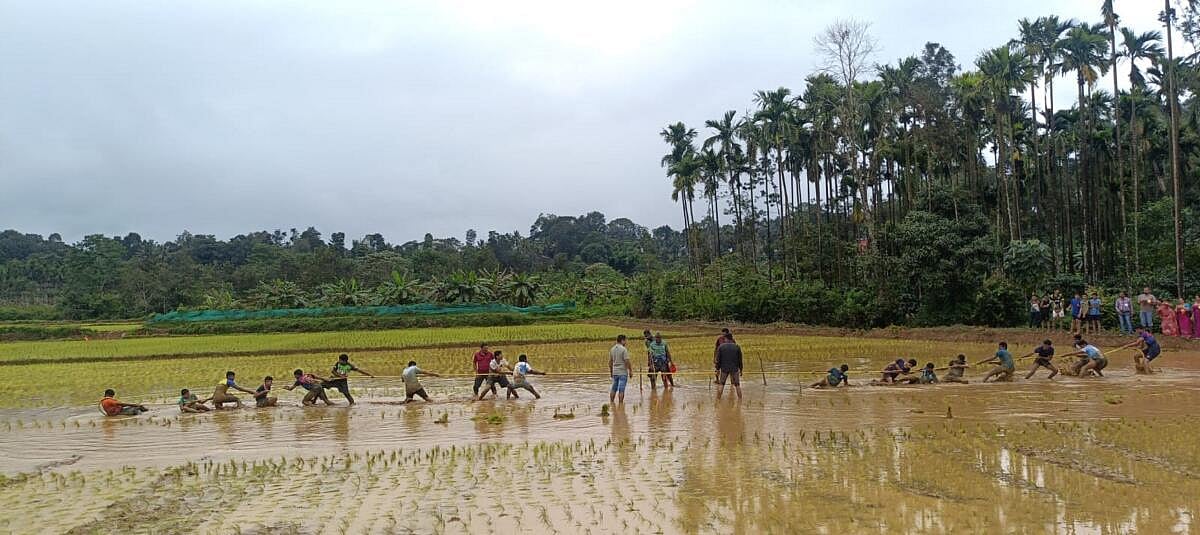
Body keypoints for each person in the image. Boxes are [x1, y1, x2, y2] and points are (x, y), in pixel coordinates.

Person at [714, 333, 743, 400]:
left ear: (726, 338)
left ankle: (718, 400)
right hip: (735, 369)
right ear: (732, 338)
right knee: (737, 385)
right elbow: (740, 360)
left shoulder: (721, 347)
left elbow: (718, 360)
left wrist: (717, 369)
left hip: (724, 369)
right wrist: (741, 370)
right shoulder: (737, 347)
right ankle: (740, 401)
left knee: (721, 384)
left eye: (724, 339)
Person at [609, 335, 631, 404]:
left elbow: (610, 362)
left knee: (614, 388)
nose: (626, 342)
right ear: (622, 340)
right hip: (622, 372)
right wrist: (630, 370)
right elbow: (627, 361)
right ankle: (620, 404)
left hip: (615, 372)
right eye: (625, 340)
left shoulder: (612, 349)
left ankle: (612, 403)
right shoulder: (623, 349)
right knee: (621, 389)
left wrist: (611, 372)